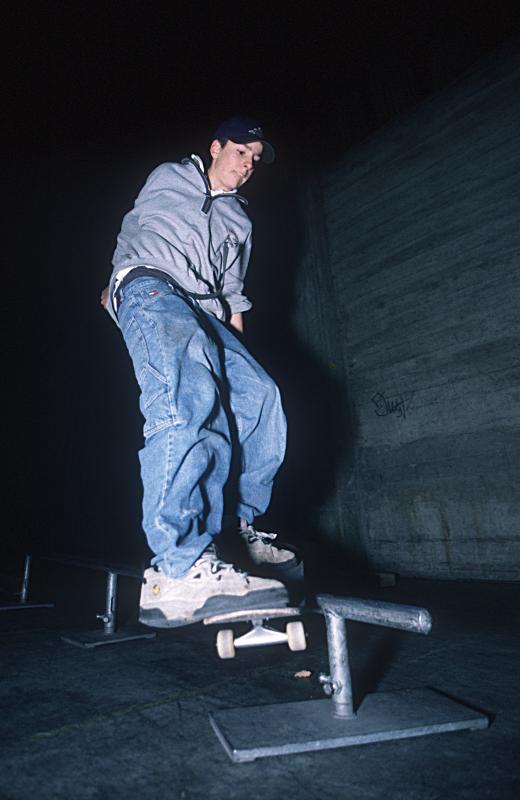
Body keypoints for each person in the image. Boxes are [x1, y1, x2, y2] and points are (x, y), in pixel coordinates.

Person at [102, 116, 301, 628]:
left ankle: (242, 528)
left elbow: (233, 293)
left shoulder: (241, 222)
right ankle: (177, 566)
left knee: (260, 395)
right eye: (240, 152)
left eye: (255, 160)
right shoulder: (170, 176)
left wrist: (238, 356)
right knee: (186, 395)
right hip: (152, 287)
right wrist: (116, 282)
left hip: (208, 312)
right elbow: (134, 227)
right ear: (215, 148)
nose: (247, 165)